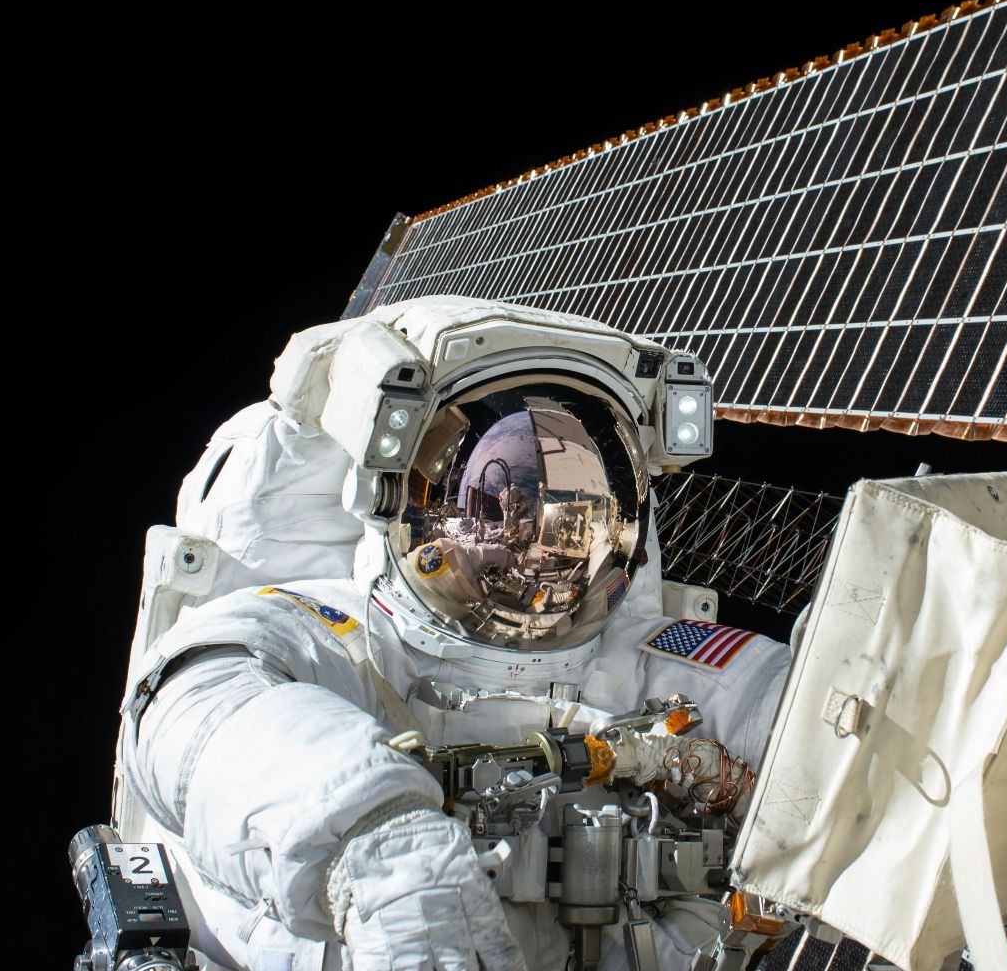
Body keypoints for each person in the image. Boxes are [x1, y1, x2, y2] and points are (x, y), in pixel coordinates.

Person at [113, 296, 792, 971]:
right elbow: (192, 704)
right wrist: (376, 844)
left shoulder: (647, 659)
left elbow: (810, 721)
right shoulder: (336, 627)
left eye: (576, 506)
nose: (538, 545)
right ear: (406, 500)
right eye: (511, 505)